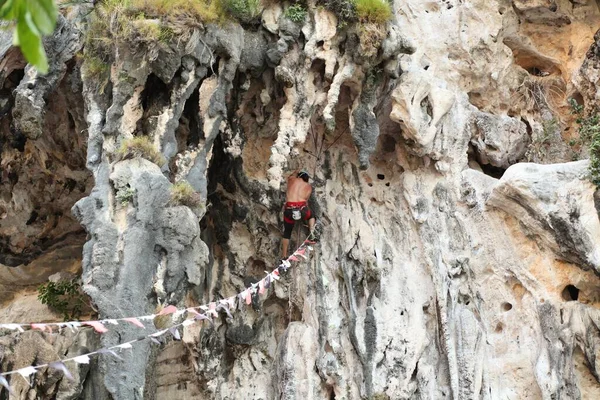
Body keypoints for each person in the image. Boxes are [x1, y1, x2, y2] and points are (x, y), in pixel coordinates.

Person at [281, 169, 316, 258]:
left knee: (287, 232)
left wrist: (296, 171)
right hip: (302, 209)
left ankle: (284, 256)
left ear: (299, 176)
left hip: (289, 210)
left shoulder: (292, 180)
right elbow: (306, 201)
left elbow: (290, 176)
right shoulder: (308, 187)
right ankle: (311, 230)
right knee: (311, 216)